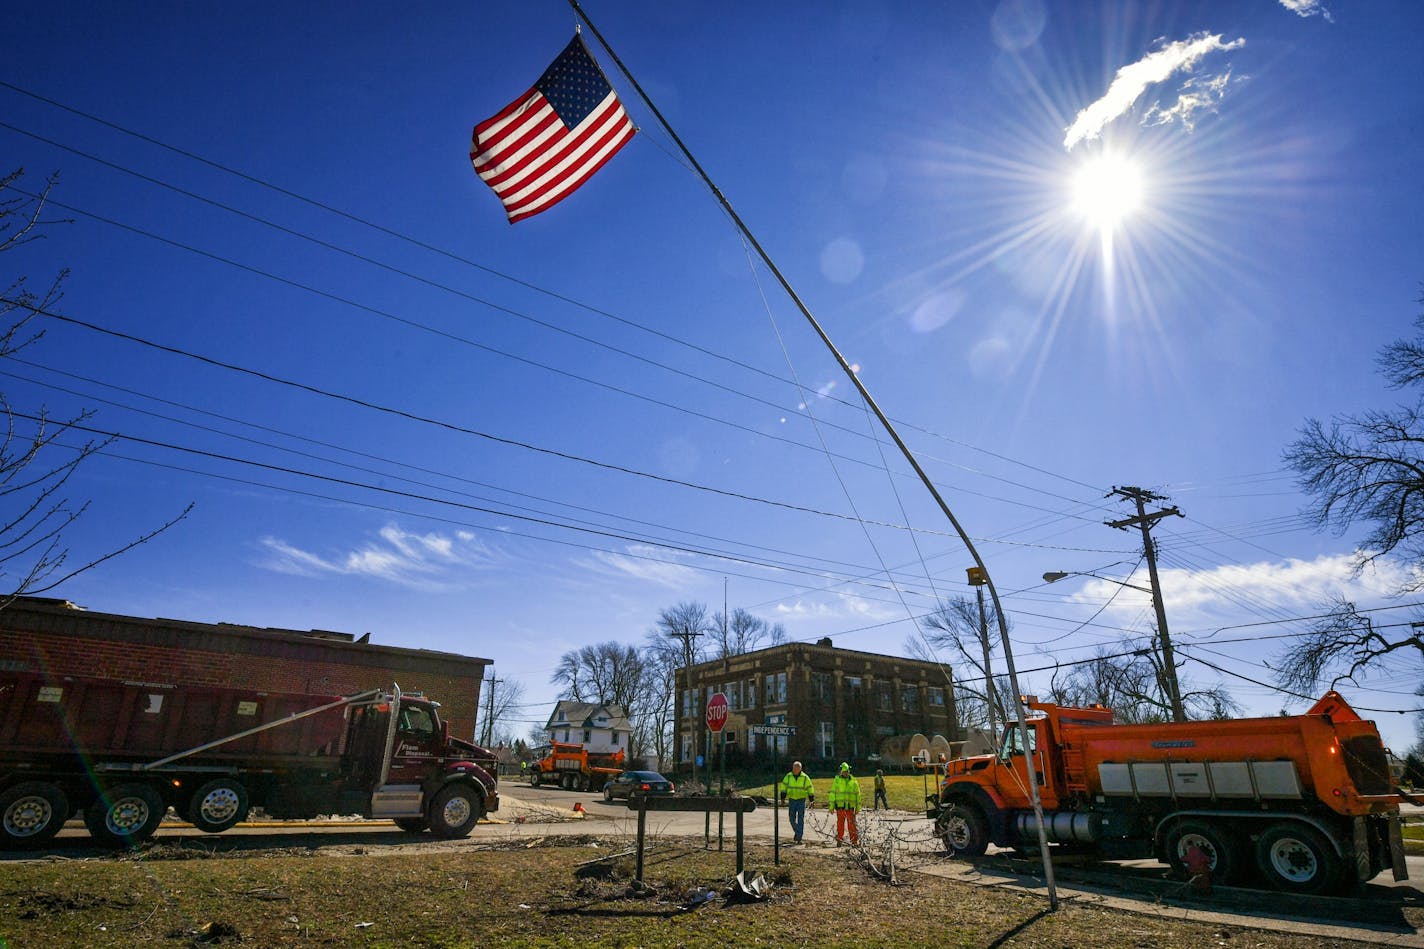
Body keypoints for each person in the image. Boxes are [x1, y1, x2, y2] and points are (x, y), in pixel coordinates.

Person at [778, 760, 815, 843]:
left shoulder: (805, 778)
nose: (795, 770)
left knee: (800, 819)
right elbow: (783, 788)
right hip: (792, 800)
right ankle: (798, 833)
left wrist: (811, 799)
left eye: (797, 769)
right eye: (794, 768)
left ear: (800, 769)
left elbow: (810, 788)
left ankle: (799, 837)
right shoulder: (788, 776)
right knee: (791, 818)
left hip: (801, 800)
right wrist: (782, 798)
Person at [829, 761, 860, 846]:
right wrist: (831, 807)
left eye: (847, 771)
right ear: (841, 772)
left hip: (850, 807)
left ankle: (854, 841)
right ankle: (839, 840)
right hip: (840, 807)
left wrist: (858, 807)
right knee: (840, 825)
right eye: (844, 771)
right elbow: (832, 794)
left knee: (852, 825)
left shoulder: (853, 781)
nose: (846, 773)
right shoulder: (837, 781)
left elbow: (858, 794)